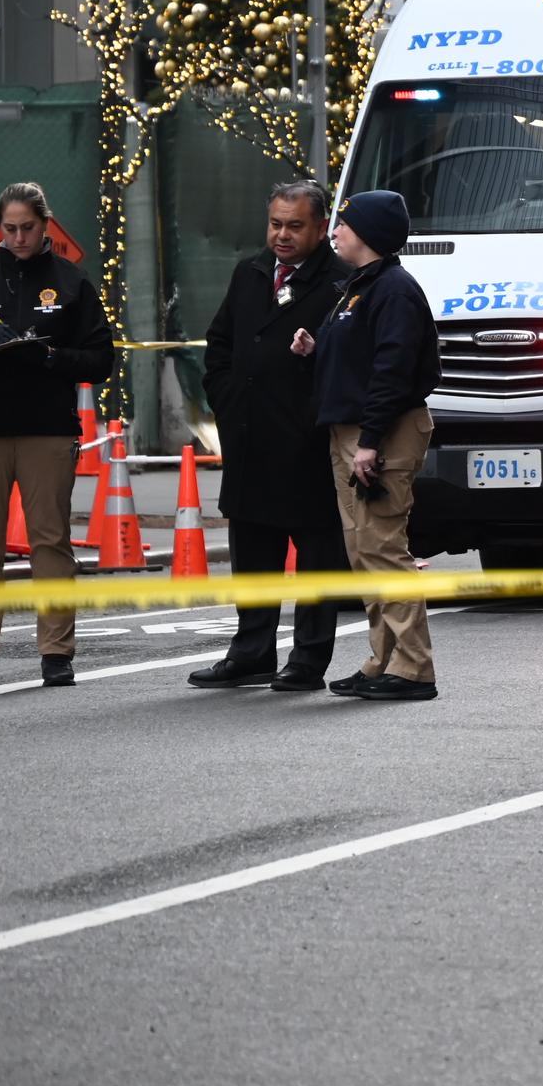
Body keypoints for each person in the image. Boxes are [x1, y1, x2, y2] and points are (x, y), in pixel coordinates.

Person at [189, 181, 354, 692]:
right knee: (253, 550)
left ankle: (308, 659)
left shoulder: (341, 282)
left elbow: (355, 357)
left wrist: (314, 406)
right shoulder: (251, 272)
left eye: (294, 226)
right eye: (275, 224)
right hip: (249, 434)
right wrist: (228, 397)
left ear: (321, 227)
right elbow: (219, 345)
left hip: (307, 441)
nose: (281, 235)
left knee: (316, 555)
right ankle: (251, 651)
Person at [291, 190, 441, 701]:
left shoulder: (393, 290)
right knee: (362, 551)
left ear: (369, 233)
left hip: (381, 433)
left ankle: (414, 668)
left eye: (344, 224)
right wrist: (317, 349)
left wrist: (370, 442)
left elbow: (393, 372)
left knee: (381, 547)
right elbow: (362, 361)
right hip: (352, 432)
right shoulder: (359, 287)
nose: (335, 231)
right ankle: (382, 661)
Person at [0, 183, 113, 688]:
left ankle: (56, 652)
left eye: (28, 228)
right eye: (10, 228)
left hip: (46, 428)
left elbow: (101, 360)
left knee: (50, 542)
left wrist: (49, 356)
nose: (18, 237)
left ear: (46, 225)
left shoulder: (70, 281)